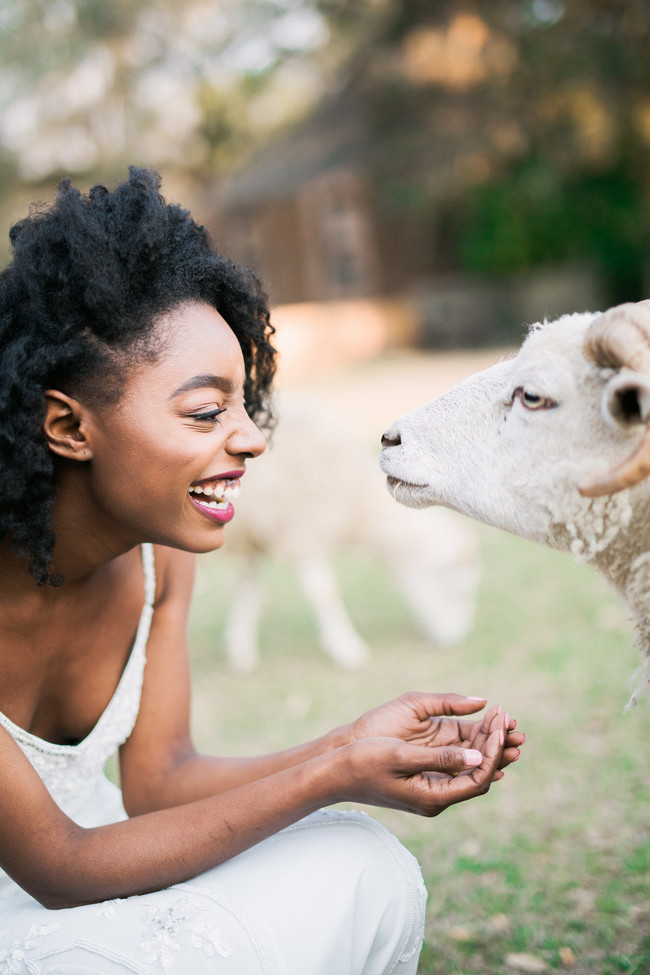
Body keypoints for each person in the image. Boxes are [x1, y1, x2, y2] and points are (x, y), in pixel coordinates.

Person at [0, 168, 525, 975]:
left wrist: (355, 743)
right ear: (68, 424)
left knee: (363, 864)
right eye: (208, 411)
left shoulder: (159, 565)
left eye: (247, 405)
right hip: (52, 891)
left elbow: (162, 779)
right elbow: (60, 863)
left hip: (100, 863)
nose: (250, 440)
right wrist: (332, 769)